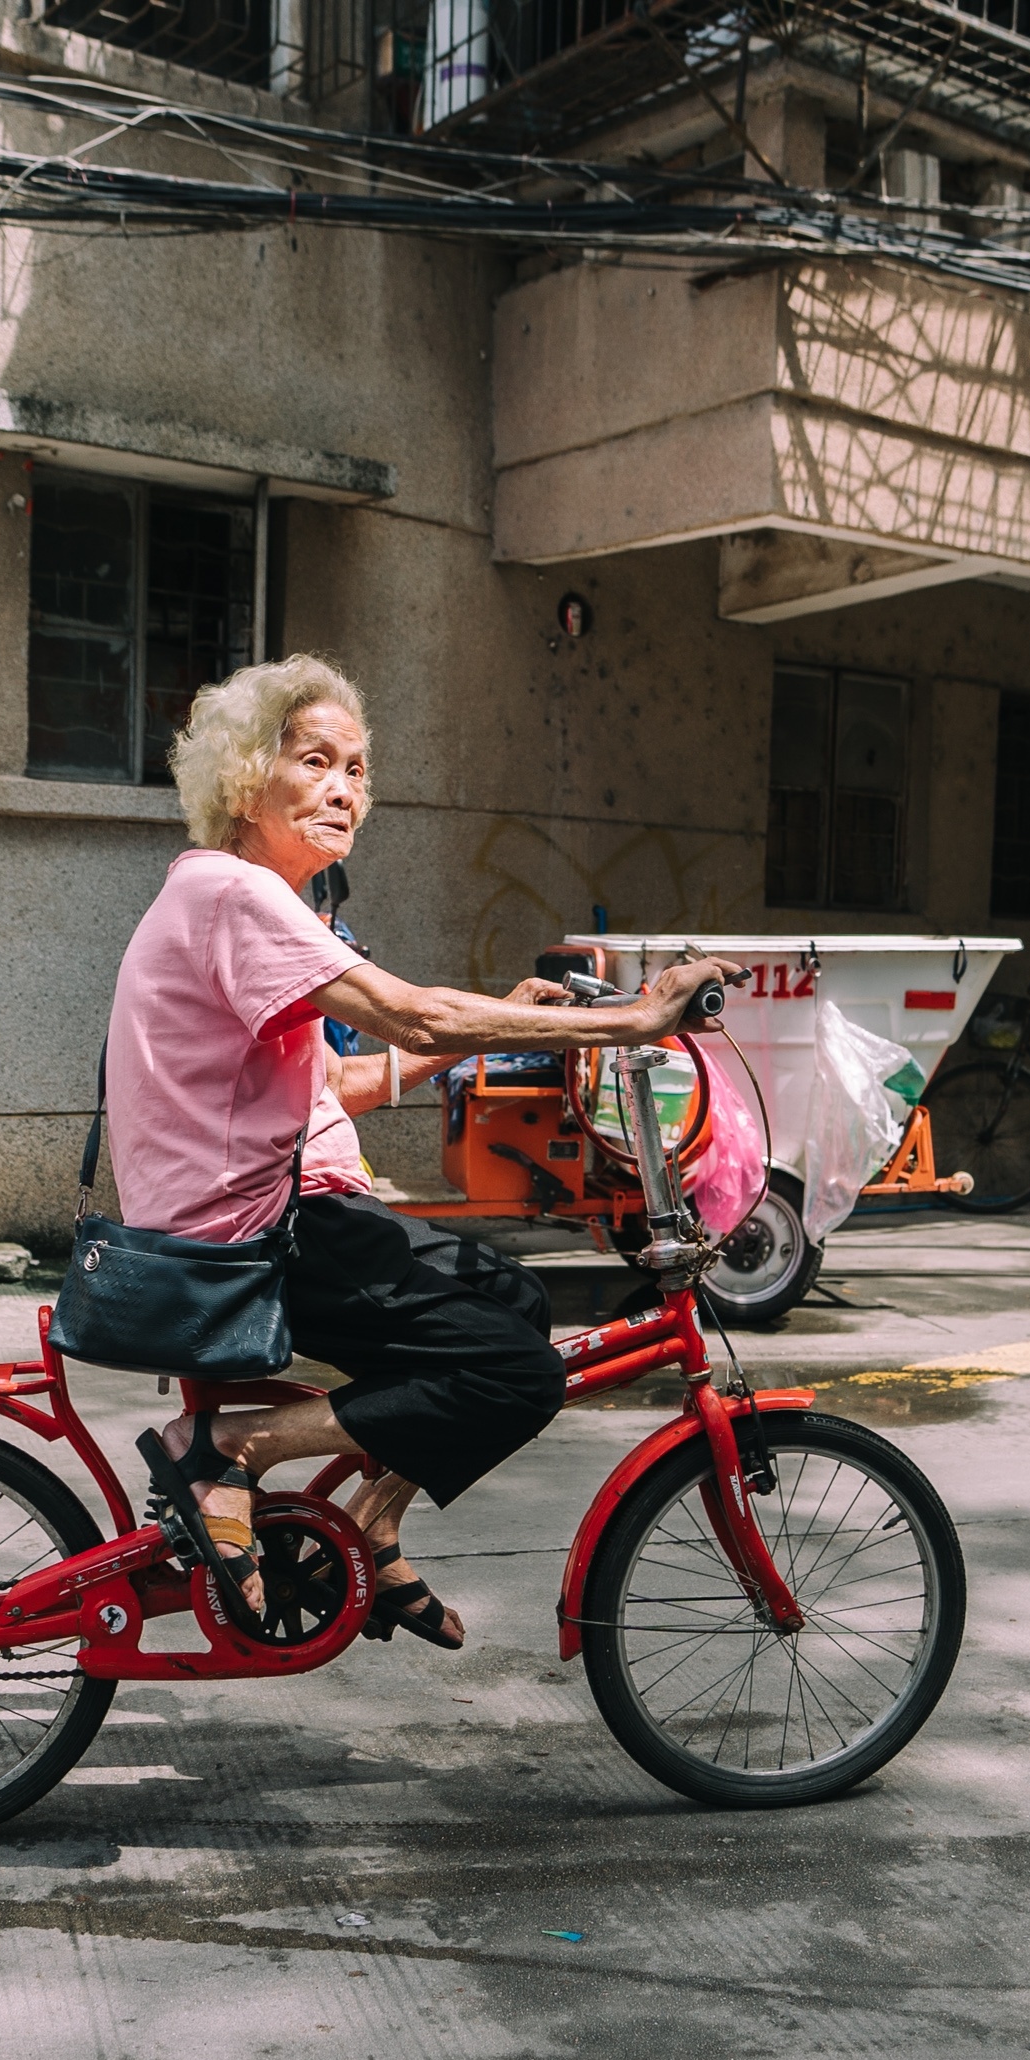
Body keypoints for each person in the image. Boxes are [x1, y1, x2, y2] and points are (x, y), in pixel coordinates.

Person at [108, 655, 738, 1650]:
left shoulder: (232, 897)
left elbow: (339, 1080)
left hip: (261, 1219)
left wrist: (506, 1024)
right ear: (241, 774)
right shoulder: (236, 895)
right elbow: (414, 1009)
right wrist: (631, 1021)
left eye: (356, 770)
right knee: (517, 1374)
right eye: (314, 760)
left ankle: (372, 1523)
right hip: (251, 1237)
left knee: (516, 1303)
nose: (344, 789)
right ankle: (223, 1447)